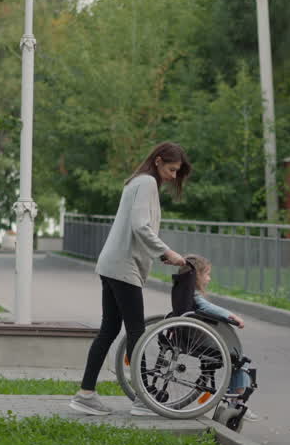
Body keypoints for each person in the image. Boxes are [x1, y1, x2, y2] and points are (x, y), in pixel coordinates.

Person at [71, 142, 189, 417]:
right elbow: (140, 226)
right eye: (171, 169)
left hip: (113, 264)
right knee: (136, 331)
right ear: (158, 161)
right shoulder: (147, 183)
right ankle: (144, 398)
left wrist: (160, 255)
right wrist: (167, 251)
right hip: (123, 267)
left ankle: (85, 394)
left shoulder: (137, 182)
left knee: (110, 330)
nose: (173, 176)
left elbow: (137, 228)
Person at [184, 254, 252, 399]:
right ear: (197, 276)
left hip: (191, 336)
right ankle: (238, 398)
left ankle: (236, 396)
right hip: (202, 340)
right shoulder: (195, 296)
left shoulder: (182, 291)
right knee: (239, 359)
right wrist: (231, 316)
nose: (209, 278)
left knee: (238, 358)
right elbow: (208, 308)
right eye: (207, 274)